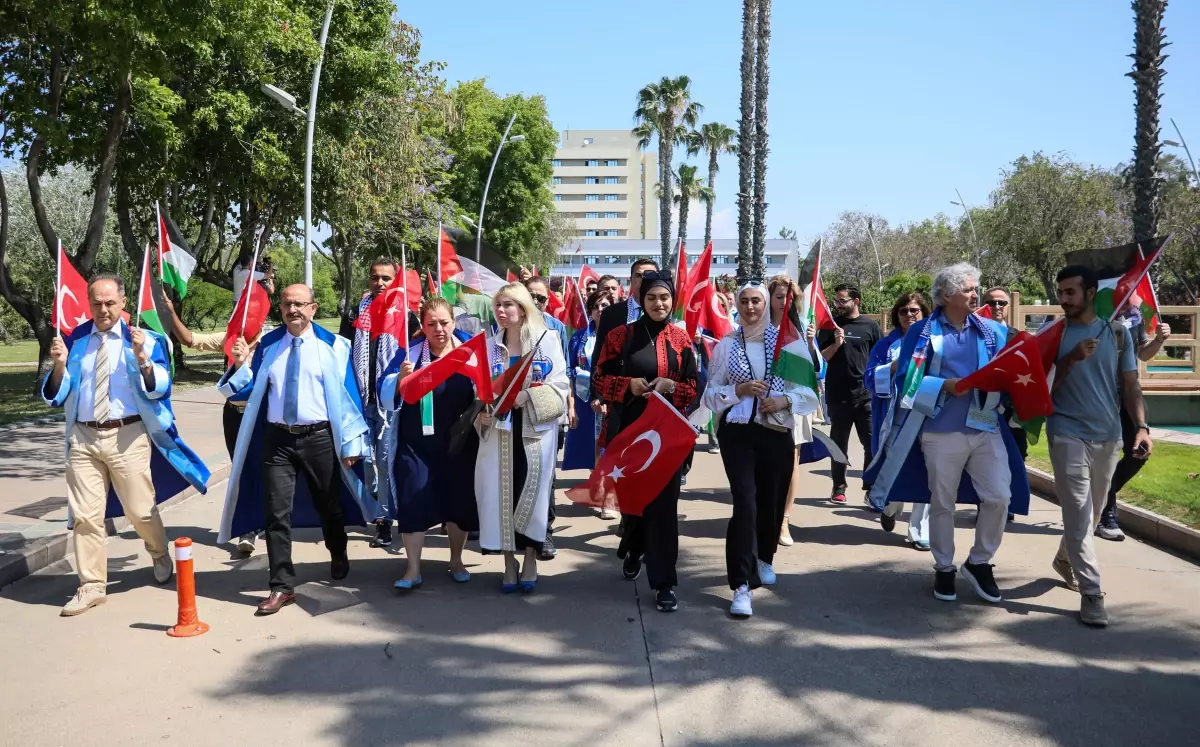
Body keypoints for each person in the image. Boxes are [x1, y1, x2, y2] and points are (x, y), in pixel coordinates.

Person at [42, 273, 210, 616]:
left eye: (109, 303)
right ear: (88, 304)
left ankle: (158, 551)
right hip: (83, 436)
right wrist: (58, 366)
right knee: (87, 516)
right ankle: (91, 585)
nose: (103, 310)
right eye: (96, 303)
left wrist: (143, 360)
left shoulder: (145, 339)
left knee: (139, 509)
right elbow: (57, 394)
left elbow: (160, 387)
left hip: (128, 435)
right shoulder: (75, 340)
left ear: (122, 303)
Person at [865, 263, 1030, 605]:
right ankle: (943, 567)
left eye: (975, 289)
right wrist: (945, 386)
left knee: (999, 496)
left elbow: (1014, 368)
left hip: (986, 427)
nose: (976, 295)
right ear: (948, 294)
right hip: (939, 432)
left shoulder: (992, 331)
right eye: (969, 289)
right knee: (943, 503)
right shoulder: (922, 332)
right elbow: (905, 382)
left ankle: (980, 561)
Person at [217, 284, 373, 616]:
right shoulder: (269, 345)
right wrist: (240, 364)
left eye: (299, 304)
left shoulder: (334, 347)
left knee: (329, 505)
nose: (293, 310)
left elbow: (349, 398)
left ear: (314, 308)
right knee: (276, 513)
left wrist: (352, 443)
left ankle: (338, 551)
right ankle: (282, 586)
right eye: (287, 304)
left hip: (319, 438)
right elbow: (245, 393)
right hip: (277, 441)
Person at [703, 283, 820, 618]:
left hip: (776, 429)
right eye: (744, 301)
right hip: (737, 431)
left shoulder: (788, 341)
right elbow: (710, 395)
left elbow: (810, 394)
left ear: (767, 304)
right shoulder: (726, 345)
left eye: (756, 301)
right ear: (736, 306)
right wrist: (737, 390)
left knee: (770, 500)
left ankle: (766, 556)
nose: (751, 307)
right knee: (745, 503)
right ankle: (741, 585)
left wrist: (785, 399)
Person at [1047, 265, 1151, 627]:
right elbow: (1042, 388)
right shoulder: (1053, 334)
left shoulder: (1117, 333)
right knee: (1077, 511)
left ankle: (1065, 557)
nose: (1063, 299)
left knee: (1091, 513)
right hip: (1066, 432)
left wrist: (1141, 427)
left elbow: (1130, 384)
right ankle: (1092, 593)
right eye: (1060, 293)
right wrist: (1071, 358)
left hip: (1108, 435)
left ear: (1091, 293)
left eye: (1070, 292)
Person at [594, 271, 699, 613]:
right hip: (628, 436)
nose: (659, 303)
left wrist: (672, 388)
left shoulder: (682, 340)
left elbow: (695, 390)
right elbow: (598, 381)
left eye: (665, 297)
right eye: (652, 297)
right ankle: (634, 546)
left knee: (665, 509)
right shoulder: (619, 336)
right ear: (641, 300)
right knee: (635, 503)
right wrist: (628, 387)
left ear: (672, 300)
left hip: (667, 438)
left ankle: (665, 582)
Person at [163, 269, 275, 554]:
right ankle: (246, 528)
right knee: (240, 470)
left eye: (251, 313)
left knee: (265, 470)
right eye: (240, 313)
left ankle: (269, 521)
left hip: (264, 416)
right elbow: (190, 340)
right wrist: (171, 312)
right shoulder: (229, 338)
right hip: (234, 416)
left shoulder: (271, 342)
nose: (244, 318)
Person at [378, 297, 480, 589]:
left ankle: (456, 559)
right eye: (431, 323)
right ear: (422, 327)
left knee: (458, 503)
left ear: (454, 322)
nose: (439, 329)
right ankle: (412, 569)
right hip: (416, 445)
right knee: (413, 501)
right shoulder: (408, 355)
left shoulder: (469, 353)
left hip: (459, 444)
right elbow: (383, 394)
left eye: (444, 322)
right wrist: (399, 379)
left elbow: (486, 390)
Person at [474, 283, 569, 593]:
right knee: (501, 495)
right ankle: (508, 562)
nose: (501, 311)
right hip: (498, 434)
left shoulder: (547, 341)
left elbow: (560, 387)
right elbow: (478, 392)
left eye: (508, 304)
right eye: (498, 305)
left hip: (535, 433)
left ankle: (529, 558)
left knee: (532, 495)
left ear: (524, 307)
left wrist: (526, 395)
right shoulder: (488, 347)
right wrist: (482, 414)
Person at [1098, 302, 1170, 541]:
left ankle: (1099, 497)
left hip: (1129, 395)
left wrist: (1159, 340)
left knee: (1139, 450)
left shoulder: (1134, 315)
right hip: (1099, 395)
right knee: (1105, 456)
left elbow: (1142, 352)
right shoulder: (1098, 308)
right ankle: (1106, 514)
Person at [867, 292, 931, 549]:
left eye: (915, 310)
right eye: (904, 311)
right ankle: (891, 506)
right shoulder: (885, 346)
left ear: (925, 313)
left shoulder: (934, 342)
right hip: (896, 417)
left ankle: (918, 530)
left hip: (928, 416)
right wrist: (891, 368)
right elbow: (869, 378)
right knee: (895, 468)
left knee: (928, 472)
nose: (909, 315)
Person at [352, 258, 402, 548]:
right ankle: (373, 509)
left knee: (384, 461)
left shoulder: (404, 317)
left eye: (386, 278)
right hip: (361, 400)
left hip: (390, 405)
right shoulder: (357, 313)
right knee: (367, 461)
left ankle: (384, 521)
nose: (380, 283)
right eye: (375, 278)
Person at [817, 283, 882, 505]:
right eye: (836, 301)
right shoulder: (830, 326)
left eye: (842, 301)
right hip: (838, 396)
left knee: (871, 444)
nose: (838, 305)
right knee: (838, 445)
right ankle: (838, 487)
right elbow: (822, 358)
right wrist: (836, 343)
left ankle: (871, 488)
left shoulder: (870, 326)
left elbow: (880, 358)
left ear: (856, 301)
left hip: (866, 397)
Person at [767, 275, 819, 547]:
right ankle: (764, 516)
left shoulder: (800, 329)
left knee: (791, 461)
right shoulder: (757, 327)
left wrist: (810, 344)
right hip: (763, 405)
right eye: (778, 296)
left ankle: (784, 520)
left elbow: (814, 371)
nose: (783, 301)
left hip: (794, 404)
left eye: (789, 297)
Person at [523, 275, 569, 560]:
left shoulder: (557, 329)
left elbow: (565, 373)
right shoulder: (508, 327)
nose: (536, 302)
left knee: (546, 475)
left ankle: (545, 532)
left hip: (548, 412)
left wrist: (570, 407)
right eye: (531, 296)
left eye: (540, 298)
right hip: (516, 413)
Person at [564, 290, 612, 477]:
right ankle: (597, 481)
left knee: (609, 444)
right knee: (590, 445)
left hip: (610, 399)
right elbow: (570, 371)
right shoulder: (579, 337)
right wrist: (571, 406)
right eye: (595, 306)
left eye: (605, 305)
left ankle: (605, 486)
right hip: (585, 399)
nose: (600, 310)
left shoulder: (621, 334)